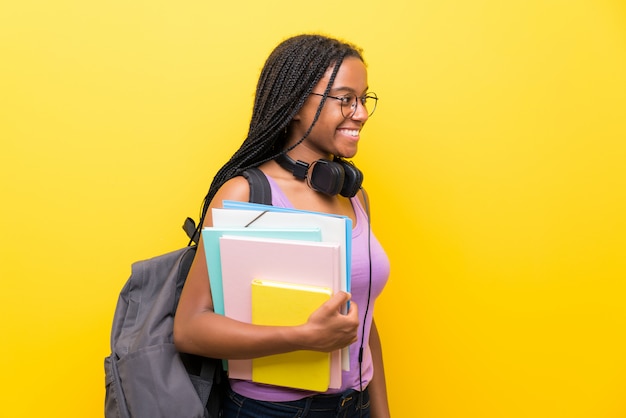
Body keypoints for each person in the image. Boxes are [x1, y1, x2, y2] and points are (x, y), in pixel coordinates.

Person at [174, 33, 391, 418]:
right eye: (345, 99)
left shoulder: (354, 196)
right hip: (273, 411)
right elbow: (190, 329)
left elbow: (364, 321)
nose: (361, 113)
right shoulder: (244, 194)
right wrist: (301, 338)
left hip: (354, 405)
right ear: (294, 106)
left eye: (363, 99)